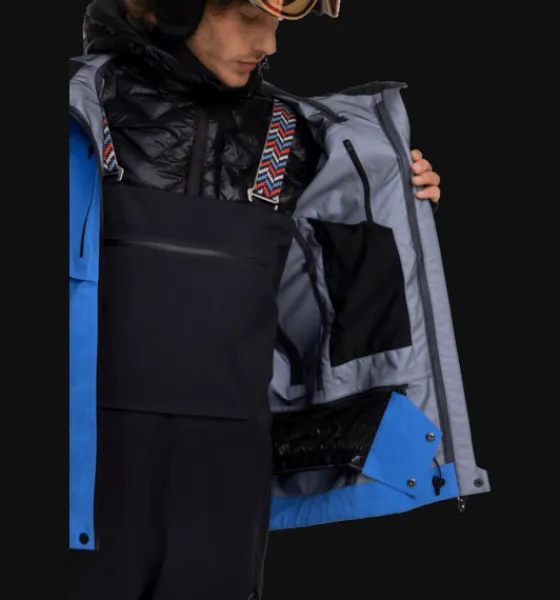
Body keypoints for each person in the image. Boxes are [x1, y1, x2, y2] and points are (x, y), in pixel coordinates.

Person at [70, 2, 486, 600]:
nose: (269, 44)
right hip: (82, 480)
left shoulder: (296, 139)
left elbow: (338, 299)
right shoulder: (78, 114)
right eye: (249, 18)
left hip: (226, 491)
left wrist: (398, 202)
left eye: (278, 25)